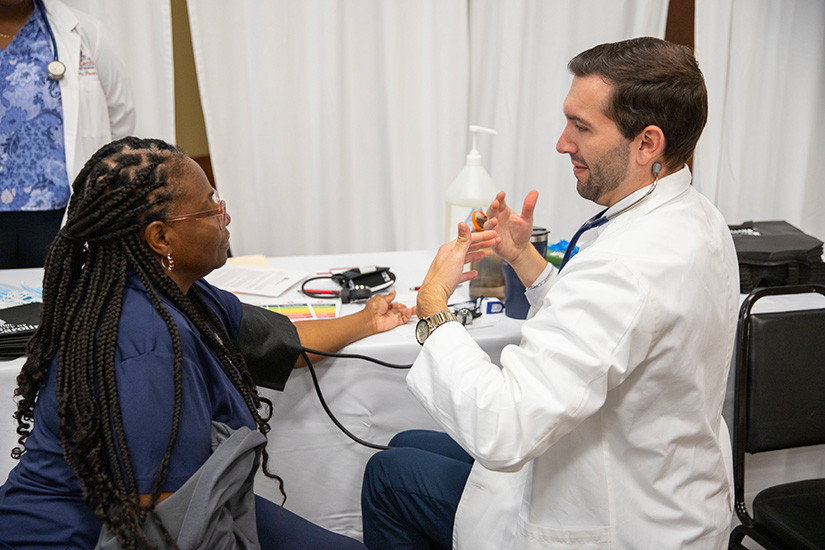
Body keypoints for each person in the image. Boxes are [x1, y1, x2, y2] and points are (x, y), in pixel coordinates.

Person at [362, 37, 739, 549]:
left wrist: (433, 306)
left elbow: (504, 427)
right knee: (407, 442)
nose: (563, 143)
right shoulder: (698, 218)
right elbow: (617, 331)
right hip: (672, 490)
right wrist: (525, 260)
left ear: (647, 143)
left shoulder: (627, 263)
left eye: (582, 127)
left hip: (622, 520)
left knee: (388, 476)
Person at [0, 137, 414, 549]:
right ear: (160, 238)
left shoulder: (179, 292)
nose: (225, 215)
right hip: (91, 534)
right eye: (209, 206)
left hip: (180, 506)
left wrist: (366, 319)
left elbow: (279, 341)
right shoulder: (146, 344)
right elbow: (165, 521)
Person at [0, 0, 135, 269]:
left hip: (62, 215)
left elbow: (120, 116)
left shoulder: (85, 32)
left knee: (60, 304)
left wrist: (103, 184)